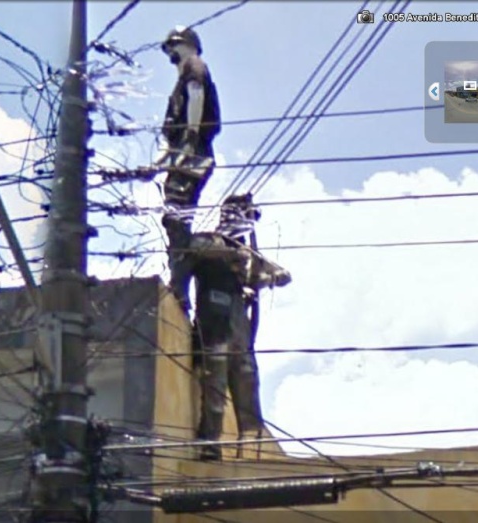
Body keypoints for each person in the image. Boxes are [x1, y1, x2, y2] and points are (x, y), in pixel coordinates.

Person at [189, 195, 269, 462]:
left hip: (238, 329)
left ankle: (249, 446)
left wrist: (256, 268)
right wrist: (235, 252)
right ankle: (209, 444)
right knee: (215, 388)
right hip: (215, 327)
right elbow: (194, 248)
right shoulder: (209, 241)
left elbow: (279, 275)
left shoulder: (246, 255)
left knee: (247, 381)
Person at [156, 26, 221, 315]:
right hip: (184, 152)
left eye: (174, 45)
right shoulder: (181, 77)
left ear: (188, 44)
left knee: (177, 216)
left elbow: (196, 97)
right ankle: (180, 282)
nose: (171, 52)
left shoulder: (194, 67)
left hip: (192, 151)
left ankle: (180, 287)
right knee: (175, 216)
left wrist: (191, 137)